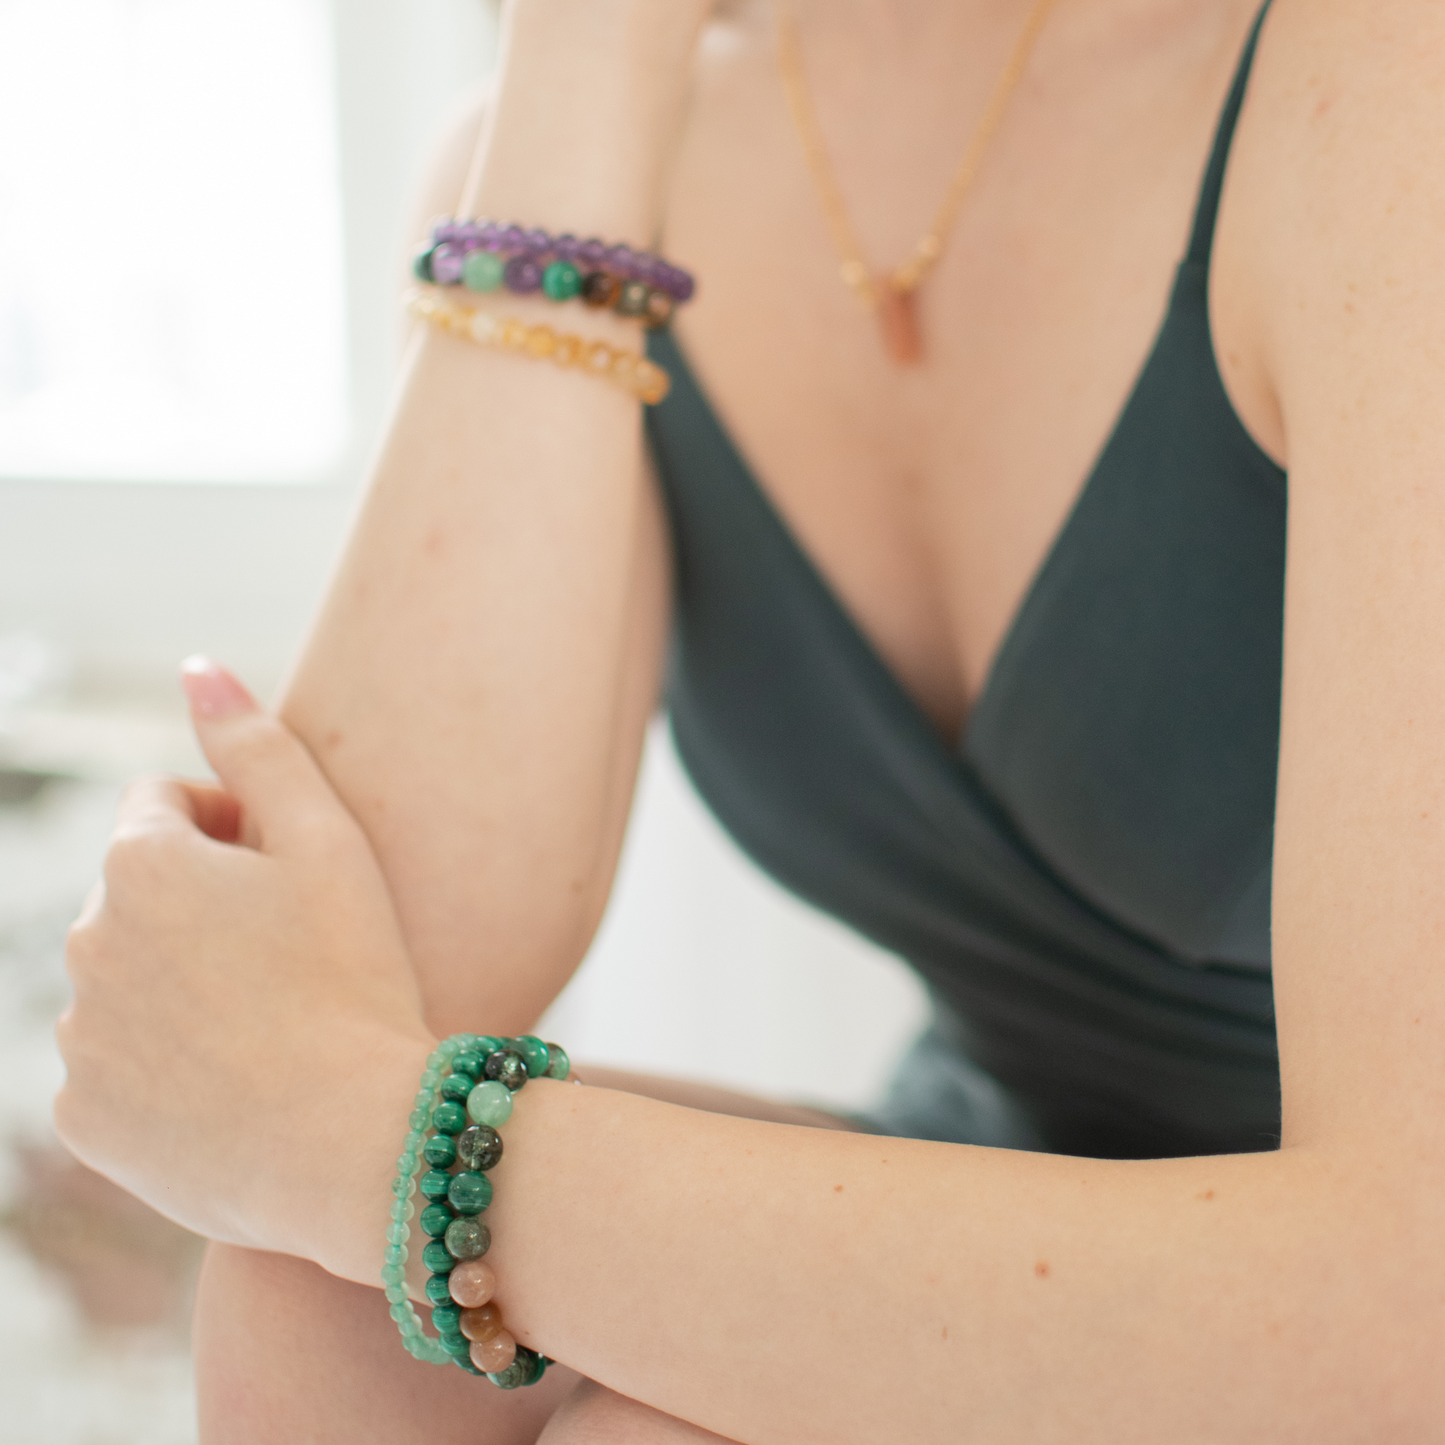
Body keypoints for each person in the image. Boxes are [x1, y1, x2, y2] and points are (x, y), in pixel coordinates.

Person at [52, 0, 1445, 1438]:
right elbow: (378, 989)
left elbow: (1408, 1307)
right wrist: (588, 55)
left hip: (1361, 1290)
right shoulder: (571, 166)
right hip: (1016, 1176)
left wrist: (342, 1132)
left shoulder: (1385, 83)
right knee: (331, 1300)